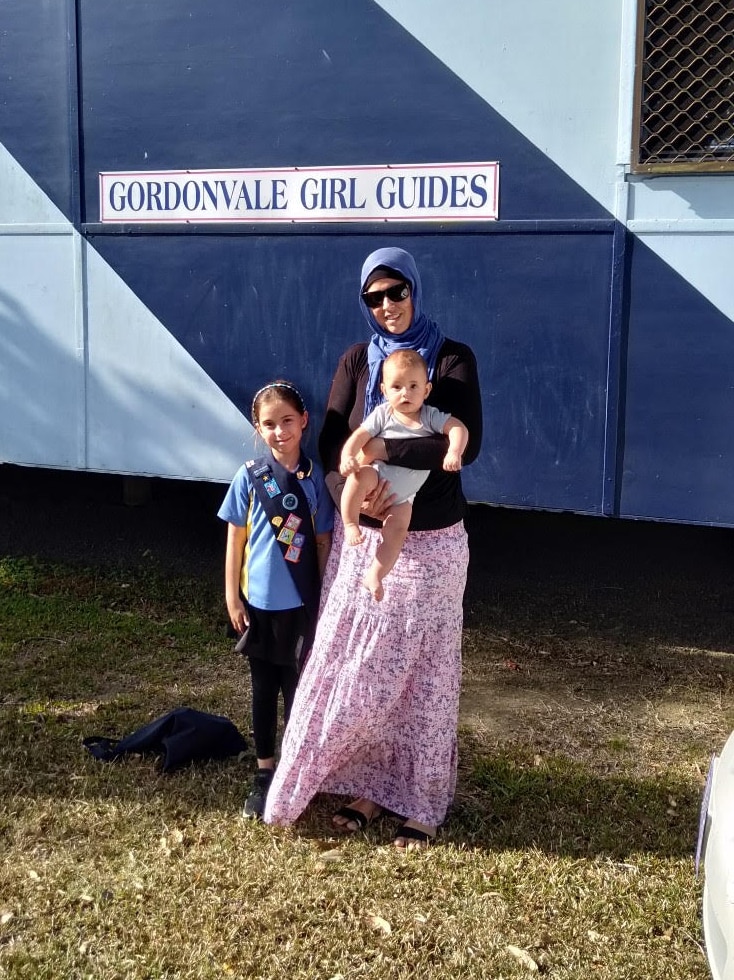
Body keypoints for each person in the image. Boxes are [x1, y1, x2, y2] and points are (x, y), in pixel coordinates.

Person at [263, 246, 482, 849]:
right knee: (361, 670)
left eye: (397, 292)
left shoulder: (452, 358)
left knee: (425, 674)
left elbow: (464, 448)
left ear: (415, 289)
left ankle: (421, 802)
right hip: (367, 542)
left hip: (433, 541)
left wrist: (384, 454)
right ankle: (367, 787)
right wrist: (352, 504)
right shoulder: (358, 362)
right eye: (374, 297)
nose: (387, 306)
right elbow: (334, 446)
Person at [217, 381, 333, 819]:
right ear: (257, 428)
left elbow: (323, 542)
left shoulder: (316, 479)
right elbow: (235, 539)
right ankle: (265, 771)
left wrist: (322, 600)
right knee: (263, 690)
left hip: (300, 608)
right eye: (269, 424)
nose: (280, 431)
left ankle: (296, 767)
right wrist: (232, 596)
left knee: (298, 692)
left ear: (304, 421)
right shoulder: (249, 476)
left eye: (288, 421)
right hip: (258, 609)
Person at [340, 348, 468, 600]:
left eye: (413, 386)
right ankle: (349, 522)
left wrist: (454, 451)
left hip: (404, 499)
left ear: (426, 390)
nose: (405, 393)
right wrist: (348, 456)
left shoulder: (430, 416)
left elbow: (458, 428)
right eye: (397, 387)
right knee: (358, 478)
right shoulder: (383, 414)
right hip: (377, 476)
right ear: (384, 391)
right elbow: (359, 437)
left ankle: (376, 574)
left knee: (396, 534)